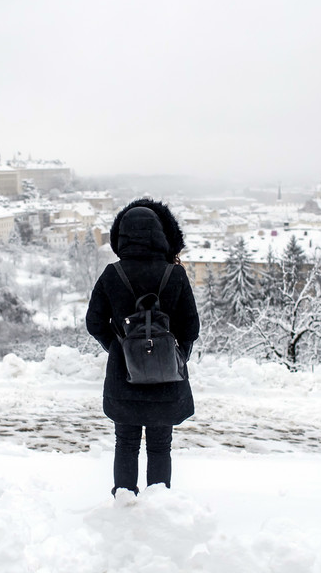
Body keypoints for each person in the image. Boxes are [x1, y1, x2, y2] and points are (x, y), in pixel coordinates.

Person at [85, 198, 200, 496]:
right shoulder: (174, 275)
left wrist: (120, 350)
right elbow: (191, 328)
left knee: (125, 443)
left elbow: (94, 322)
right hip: (167, 380)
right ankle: (159, 508)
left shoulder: (113, 274)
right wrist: (174, 356)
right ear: (161, 234)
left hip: (124, 380)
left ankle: (124, 503)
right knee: (161, 446)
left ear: (121, 236)